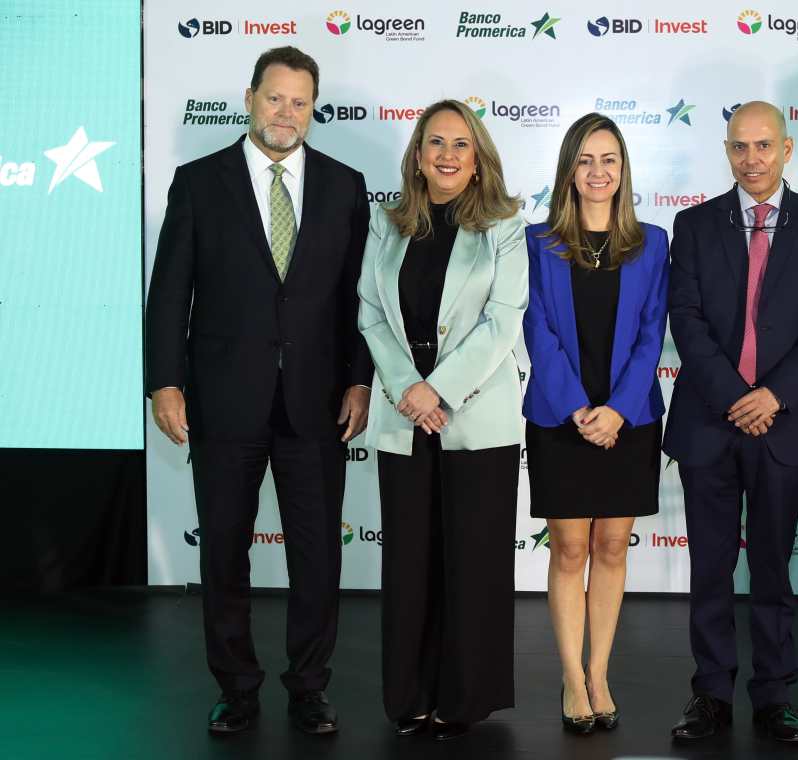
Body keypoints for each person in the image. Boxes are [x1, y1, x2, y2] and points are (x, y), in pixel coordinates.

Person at [145, 46, 370, 735]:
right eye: (275, 98)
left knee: (317, 556)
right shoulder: (198, 182)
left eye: (300, 102)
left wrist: (360, 379)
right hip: (222, 400)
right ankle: (237, 689)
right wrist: (165, 382)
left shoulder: (345, 185)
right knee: (223, 552)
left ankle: (309, 687)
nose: (286, 113)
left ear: (313, 109)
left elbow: (359, 299)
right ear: (249, 99)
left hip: (316, 402)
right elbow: (170, 293)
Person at [662, 101, 798, 744]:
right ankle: (711, 693)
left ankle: (774, 695)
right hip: (709, 421)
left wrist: (773, 396)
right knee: (710, 568)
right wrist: (735, 396)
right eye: (739, 146)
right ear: (726, 151)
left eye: (764, 145)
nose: (752, 158)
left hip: (785, 423)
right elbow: (685, 318)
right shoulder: (693, 224)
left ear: (787, 149)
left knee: (772, 568)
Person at [357, 99, 526, 742]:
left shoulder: (505, 225)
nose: (448, 155)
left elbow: (503, 320)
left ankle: (463, 698)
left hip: (475, 418)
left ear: (477, 159)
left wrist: (441, 391)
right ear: (418, 156)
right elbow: (370, 313)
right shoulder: (386, 222)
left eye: (461, 144)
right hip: (406, 416)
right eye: (436, 143)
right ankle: (412, 696)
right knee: (410, 564)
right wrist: (410, 388)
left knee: (474, 564)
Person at [522, 113, 669, 735]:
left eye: (609, 159)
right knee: (569, 548)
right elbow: (536, 328)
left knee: (611, 547)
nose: (597, 171)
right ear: (568, 170)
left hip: (628, 419)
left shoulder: (652, 242)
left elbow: (652, 332)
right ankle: (571, 677)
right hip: (561, 418)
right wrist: (579, 408)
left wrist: (618, 410)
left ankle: (599, 672)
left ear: (624, 169)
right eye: (585, 159)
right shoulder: (537, 241)